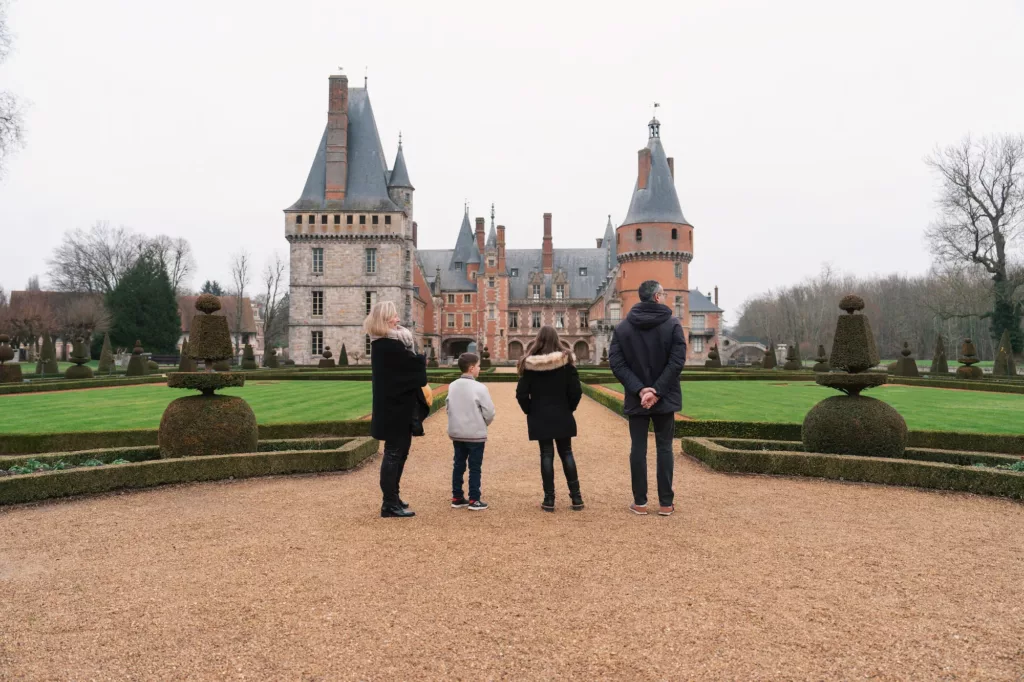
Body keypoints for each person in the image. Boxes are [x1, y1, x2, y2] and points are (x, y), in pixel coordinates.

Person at [608, 280, 687, 516]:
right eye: (663, 294)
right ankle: (665, 503)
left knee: (638, 449)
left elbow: (617, 364)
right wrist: (657, 391)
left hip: (637, 398)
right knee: (664, 448)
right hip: (664, 397)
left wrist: (641, 390)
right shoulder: (673, 325)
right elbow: (676, 362)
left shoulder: (623, 328)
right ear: (656, 297)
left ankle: (640, 502)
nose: (664, 297)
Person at [365, 300, 427, 518]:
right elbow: (418, 375)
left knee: (399, 453)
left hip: (395, 407)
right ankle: (389, 503)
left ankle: (393, 497)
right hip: (395, 409)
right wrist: (420, 359)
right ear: (384, 319)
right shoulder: (388, 345)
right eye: (394, 317)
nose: (398, 320)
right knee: (394, 454)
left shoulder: (388, 344)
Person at [515, 326, 584, 512]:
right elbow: (576, 391)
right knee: (567, 452)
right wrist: (569, 408)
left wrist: (530, 411)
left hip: (540, 415)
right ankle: (576, 498)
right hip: (562, 413)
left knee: (546, 454)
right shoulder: (566, 362)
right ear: (557, 339)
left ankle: (549, 499)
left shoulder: (530, 365)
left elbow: (521, 394)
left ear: (538, 340)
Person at [445, 352, 496, 511]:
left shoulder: (452, 385)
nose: (480, 369)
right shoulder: (480, 387)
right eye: (479, 366)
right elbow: (489, 412)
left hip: (457, 433)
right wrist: (483, 424)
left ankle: (457, 497)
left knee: (458, 464)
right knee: (475, 467)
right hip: (475, 434)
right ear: (472, 368)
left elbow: (448, 408)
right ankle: (474, 499)